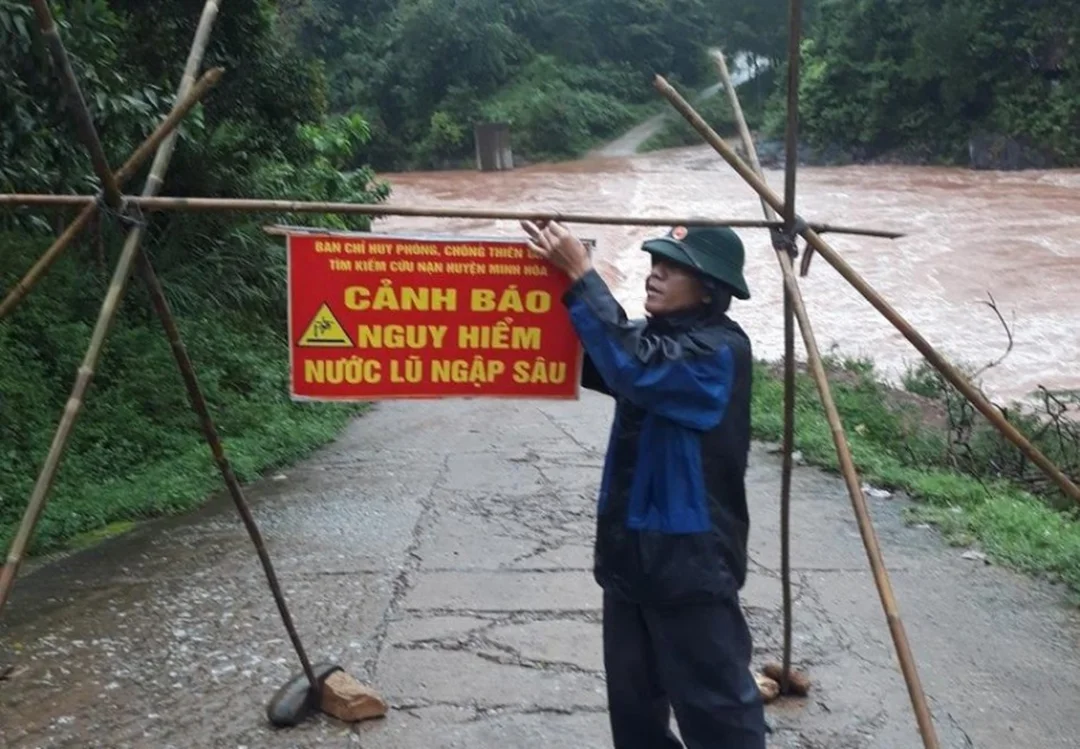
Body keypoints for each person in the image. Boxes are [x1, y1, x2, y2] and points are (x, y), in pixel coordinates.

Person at [520, 220, 766, 749]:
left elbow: (632, 365)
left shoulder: (717, 353)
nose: (655, 274)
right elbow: (604, 357)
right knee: (635, 717)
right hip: (629, 560)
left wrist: (581, 274)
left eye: (673, 268)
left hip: (689, 565)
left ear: (710, 287)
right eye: (655, 262)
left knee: (717, 713)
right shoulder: (661, 340)